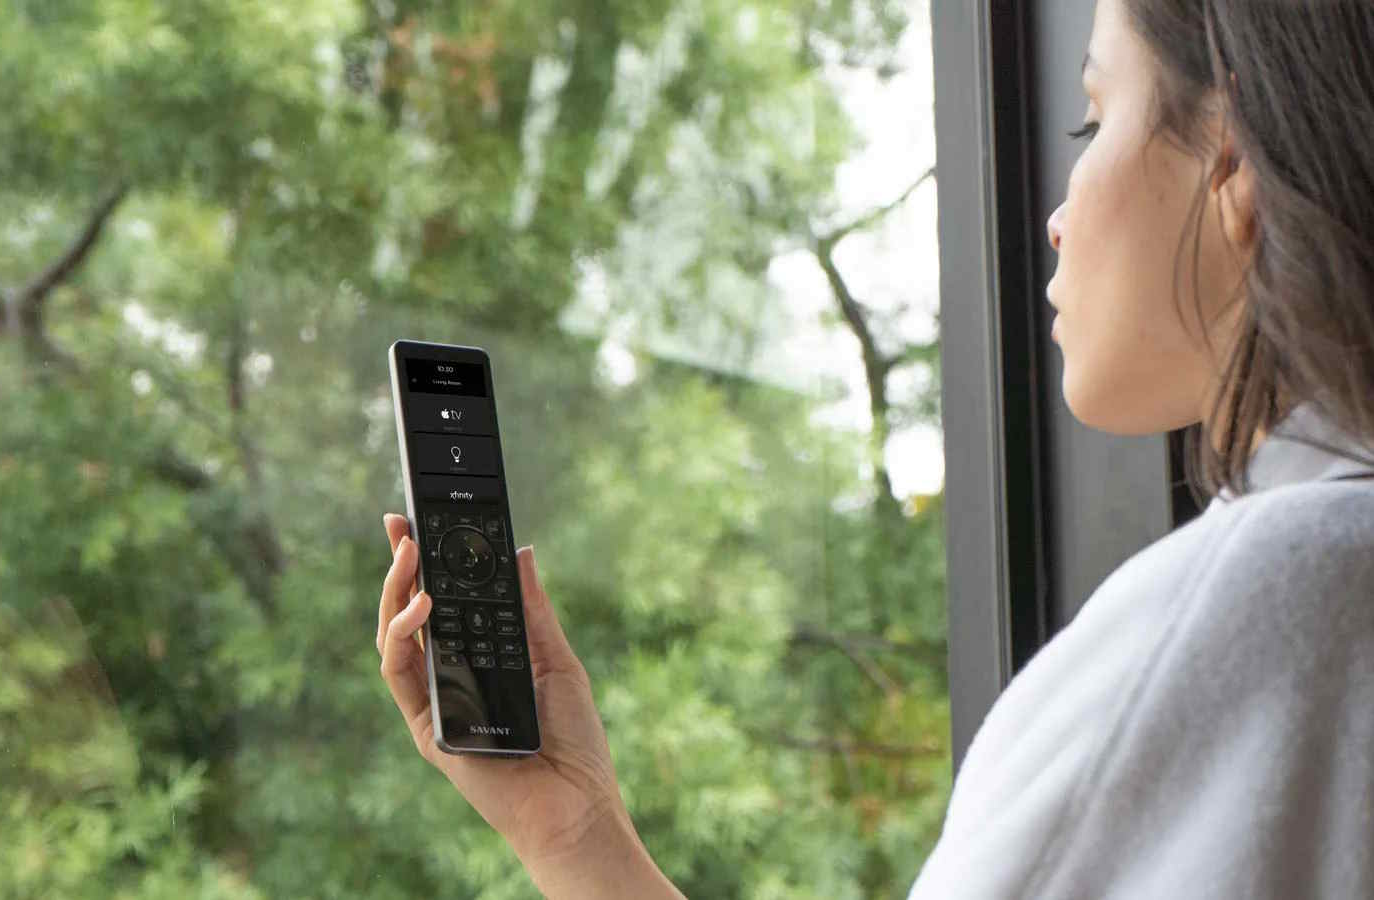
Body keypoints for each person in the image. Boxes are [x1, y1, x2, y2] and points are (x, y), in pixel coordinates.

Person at [377, 0, 1374, 895]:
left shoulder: (1270, 594)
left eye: (1094, 117)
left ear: (1234, 154)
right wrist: (577, 834)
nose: (1057, 218)